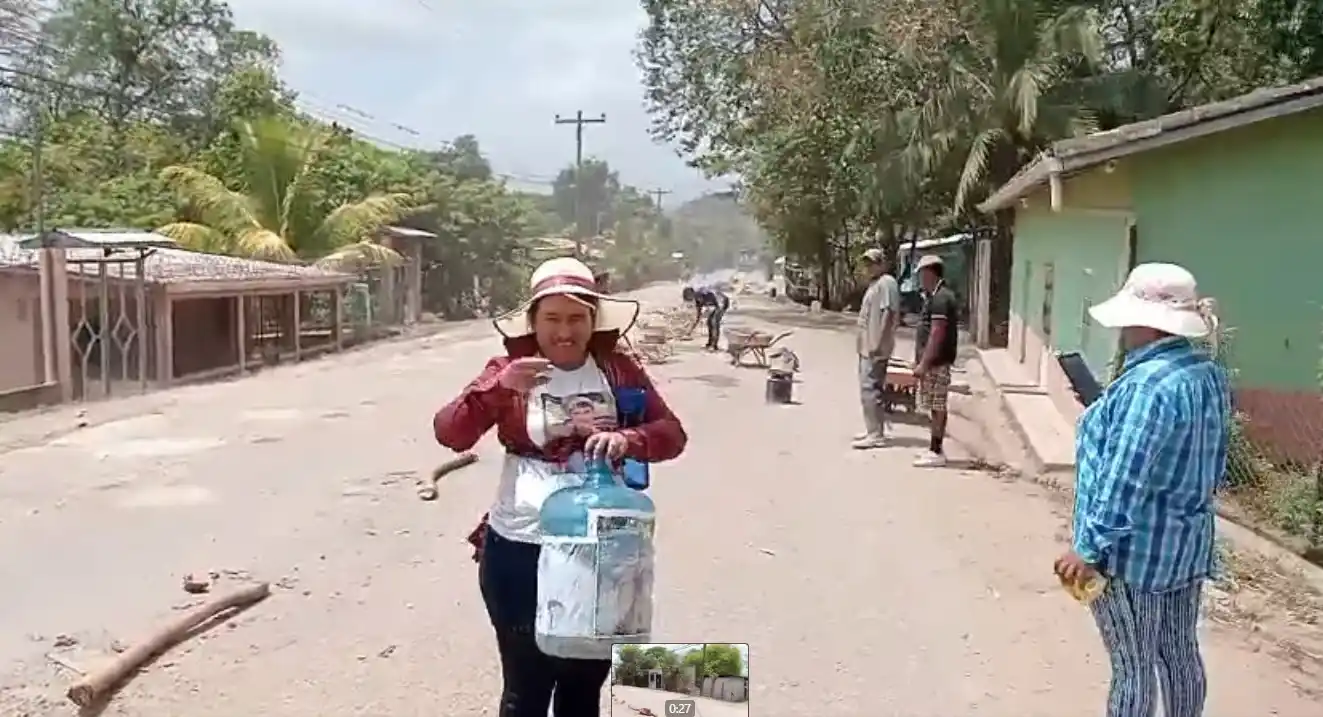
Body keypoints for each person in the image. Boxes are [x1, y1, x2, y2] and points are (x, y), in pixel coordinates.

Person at [432, 257, 688, 717]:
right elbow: (450, 433)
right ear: (533, 321)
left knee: (581, 688)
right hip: (519, 547)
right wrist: (495, 390)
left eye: (576, 318)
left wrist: (630, 439)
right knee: (525, 688)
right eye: (551, 319)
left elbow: (673, 434)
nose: (564, 331)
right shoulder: (510, 368)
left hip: (602, 554)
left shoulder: (617, 370)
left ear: (593, 320)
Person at [1054, 263, 1227, 717]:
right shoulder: (1205, 374)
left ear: (1145, 323)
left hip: (1134, 556)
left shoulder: (1147, 387)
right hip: (1185, 544)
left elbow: (1124, 477)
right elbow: (1200, 455)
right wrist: (1106, 412)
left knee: (1133, 669)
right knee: (1179, 655)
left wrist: (1087, 549)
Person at [912, 254, 958, 467]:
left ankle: (936, 450)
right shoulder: (934, 296)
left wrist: (924, 363)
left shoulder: (941, 298)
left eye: (922, 274)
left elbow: (937, 334)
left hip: (937, 363)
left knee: (938, 405)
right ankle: (933, 448)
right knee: (933, 405)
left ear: (930, 272)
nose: (920, 279)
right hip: (933, 362)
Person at [852, 248, 901, 450]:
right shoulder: (874, 284)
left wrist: (878, 343)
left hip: (875, 347)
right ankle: (872, 428)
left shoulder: (887, 282)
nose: (869, 267)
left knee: (871, 389)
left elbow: (889, 314)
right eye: (867, 263)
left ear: (882, 264)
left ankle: (876, 434)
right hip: (867, 347)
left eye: (873, 263)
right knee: (867, 388)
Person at [682, 284, 730, 351]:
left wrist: (718, 309)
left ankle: (714, 346)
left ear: (693, 293)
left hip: (722, 302)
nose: (692, 300)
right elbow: (698, 316)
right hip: (717, 304)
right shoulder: (697, 299)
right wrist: (690, 331)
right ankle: (710, 344)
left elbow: (718, 297)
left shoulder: (702, 292)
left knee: (714, 322)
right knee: (709, 322)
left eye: (690, 298)